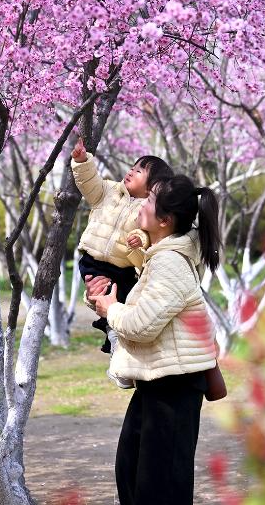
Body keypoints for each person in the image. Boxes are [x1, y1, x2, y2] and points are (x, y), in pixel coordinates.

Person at [87, 174, 220, 505]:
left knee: (159, 489)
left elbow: (141, 325)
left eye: (149, 201)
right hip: (159, 383)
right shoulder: (159, 256)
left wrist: (111, 308)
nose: (141, 204)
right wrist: (105, 302)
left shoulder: (169, 263)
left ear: (164, 220)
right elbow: (145, 314)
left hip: (174, 388)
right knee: (132, 474)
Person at [71, 137, 173, 387]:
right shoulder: (108, 191)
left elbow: (147, 234)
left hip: (124, 269)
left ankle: (123, 356)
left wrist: (139, 239)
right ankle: (117, 351)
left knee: (123, 310)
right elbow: (89, 182)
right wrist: (82, 161)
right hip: (94, 262)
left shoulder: (149, 209)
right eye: (132, 167)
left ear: (152, 187)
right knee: (109, 306)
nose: (130, 172)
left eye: (139, 172)